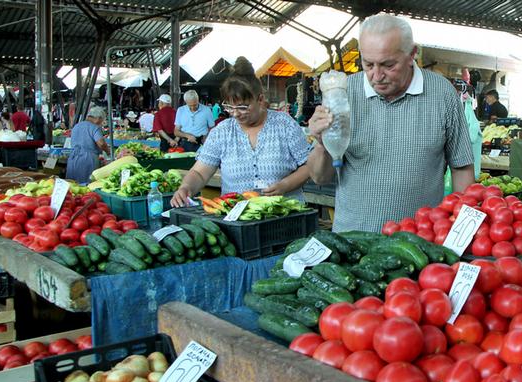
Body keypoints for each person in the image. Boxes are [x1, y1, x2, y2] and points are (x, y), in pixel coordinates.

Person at [306, 14, 474, 232]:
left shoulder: (442, 94)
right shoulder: (342, 93)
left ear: (412, 54)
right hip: (353, 241)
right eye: (368, 64)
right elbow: (320, 177)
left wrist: (463, 229)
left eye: (388, 65)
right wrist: (322, 143)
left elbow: (461, 167)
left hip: (420, 242)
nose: (376, 76)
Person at [171, 57, 312, 207]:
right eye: (230, 107)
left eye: (243, 107)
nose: (236, 113)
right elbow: (199, 173)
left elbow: (309, 165)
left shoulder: (284, 124)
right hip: (237, 218)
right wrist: (185, 188)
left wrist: (285, 185)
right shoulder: (222, 132)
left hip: (284, 214)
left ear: (260, 100)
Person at [66, 107, 111, 184]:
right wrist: (108, 151)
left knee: (72, 185)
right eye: (101, 120)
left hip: (73, 158)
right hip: (87, 159)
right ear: (98, 118)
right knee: (87, 185)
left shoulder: (77, 126)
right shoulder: (94, 127)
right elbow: (101, 143)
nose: (101, 123)